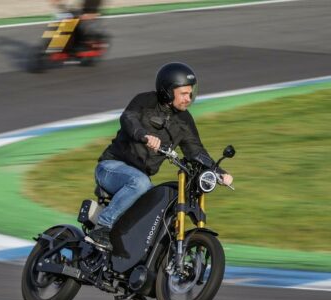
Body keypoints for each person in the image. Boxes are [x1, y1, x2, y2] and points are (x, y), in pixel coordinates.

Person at [85, 62, 234, 250]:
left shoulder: (184, 121)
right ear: (168, 92)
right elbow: (128, 118)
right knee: (141, 183)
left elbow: (196, 151)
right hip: (111, 167)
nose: (189, 98)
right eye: (184, 94)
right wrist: (143, 136)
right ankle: (103, 227)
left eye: (191, 93)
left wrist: (218, 172)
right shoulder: (145, 102)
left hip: (141, 178)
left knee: (160, 202)